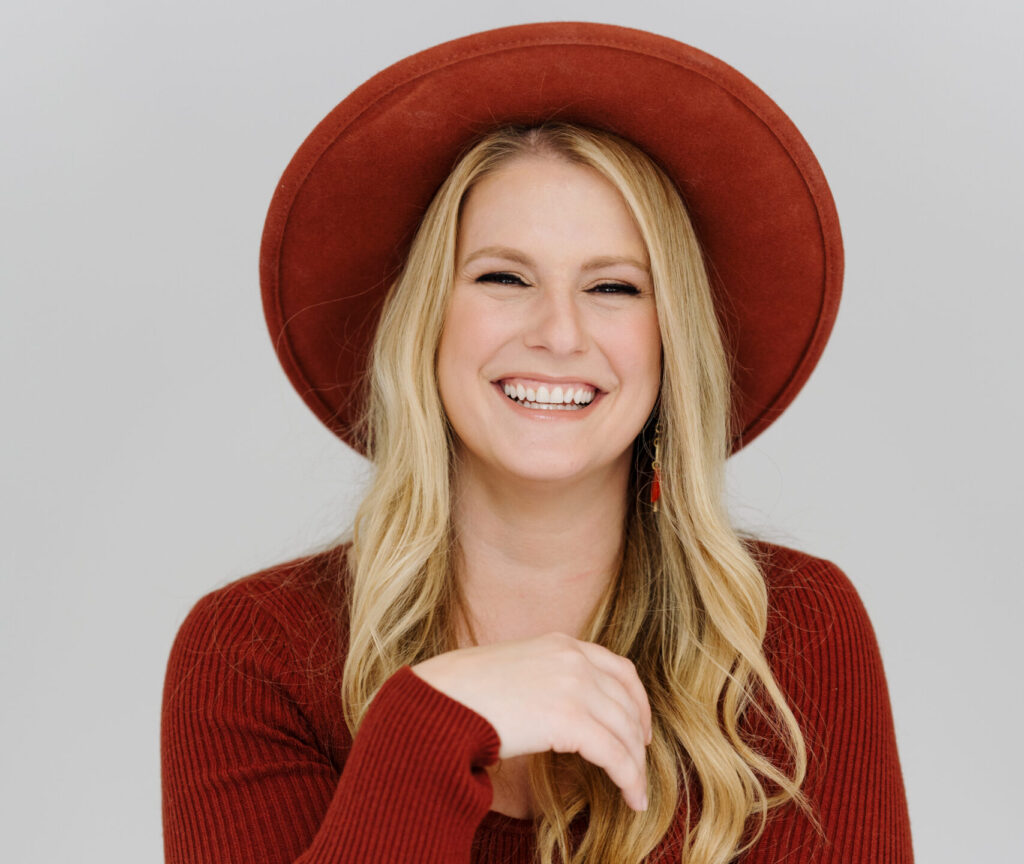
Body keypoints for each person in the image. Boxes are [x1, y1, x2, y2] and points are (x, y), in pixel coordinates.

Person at [160, 21, 913, 864]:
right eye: (504, 277)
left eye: (614, 287)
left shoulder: (792, 638)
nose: (559, 333)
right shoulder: (250, 653)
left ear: (671, 343)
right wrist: (430, 725)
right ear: (427, 321)